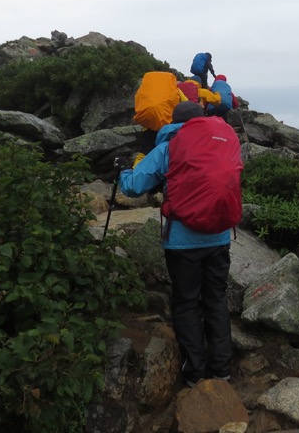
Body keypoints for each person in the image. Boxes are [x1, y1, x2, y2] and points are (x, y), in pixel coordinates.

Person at [117, 102, 233, 386]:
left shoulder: (169, 146)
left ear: (172, 122)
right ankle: (222, 370)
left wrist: (121, 170)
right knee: (216, 299)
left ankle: (194, 372)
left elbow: (133, 187)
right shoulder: (220, 143)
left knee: (187, 303)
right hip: (219, 236)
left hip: (183, 242)